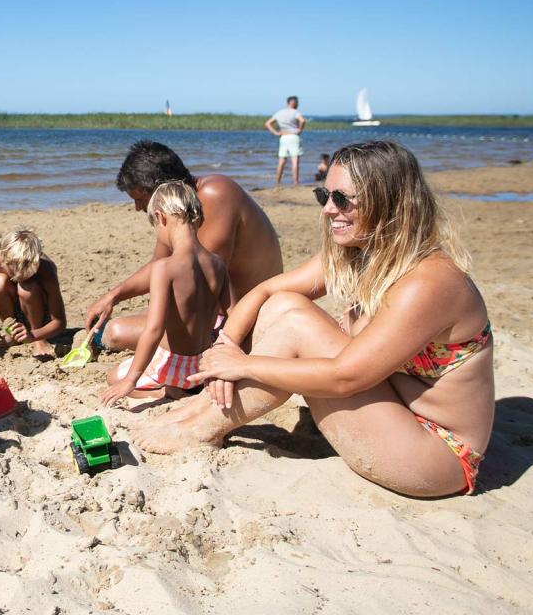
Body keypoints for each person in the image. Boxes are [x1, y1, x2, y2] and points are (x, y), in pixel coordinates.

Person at [133, 141, 494, 498]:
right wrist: (224, 348)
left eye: (342, 199)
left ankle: (203, 426)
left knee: (294, 325)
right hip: (393, 412)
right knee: (284, 305)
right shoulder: (362, 250)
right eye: (325, 196)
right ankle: (203, 410)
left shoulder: (428, 282)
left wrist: (242, 365)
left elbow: (345, 376)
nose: (327, 210)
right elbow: (265, 292)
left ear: (389, 202)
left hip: (435, 452)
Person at [84, 140, 282, 351]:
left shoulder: (215, 194)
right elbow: (158, 263)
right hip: (221, 308)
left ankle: (99, 342)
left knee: (117, 332)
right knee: (146, 317)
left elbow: (200, 279)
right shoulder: (180, 209)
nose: (138, 207)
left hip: (249, 314)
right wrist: (111, 297)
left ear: (159, 186)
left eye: (141, 198)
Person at [100, 181, 228, 406]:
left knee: (113, 377)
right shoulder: (217, 264)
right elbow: (232, 313)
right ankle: (186, 387)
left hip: (174, 368)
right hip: (201, 363)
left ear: (161, 218)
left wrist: (130, 380)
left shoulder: (164, 268)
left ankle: (163, 393)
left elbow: (154, 328)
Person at [0, 227, 66, 358]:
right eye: (14, 271)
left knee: (27, 287)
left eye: (27, 271)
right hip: (16, 316)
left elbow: (59, 322)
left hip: (41, 320)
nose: (20, 275)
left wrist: (34, 336)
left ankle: (39, 341)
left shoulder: (46, 269)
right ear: (4, 259)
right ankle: (12, 333)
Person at [265, 96, 306, 186]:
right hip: (293, 136)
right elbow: (302, 121)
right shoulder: (296, 112)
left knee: (281, 161)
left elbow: (267, 123)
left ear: (287, 103)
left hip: (283, 137)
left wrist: (275, 133)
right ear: (295, 103)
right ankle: (295, 182)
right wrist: (300, 130)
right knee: (294, 161)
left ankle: (278, 182)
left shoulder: (279, 112)